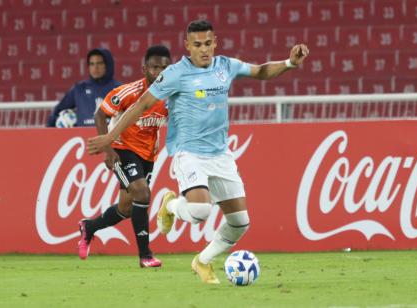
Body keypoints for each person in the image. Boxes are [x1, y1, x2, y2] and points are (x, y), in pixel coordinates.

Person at [87, 20, 309, 283]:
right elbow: (140, 105)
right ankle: (170, 205)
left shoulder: (225, 66)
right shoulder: (175, 74)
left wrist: (290, 63)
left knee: (240, 223)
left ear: (214, 42)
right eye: (197, 45)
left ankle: (202, 261)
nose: (203, 50)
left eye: (207, 44)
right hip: (188, 153)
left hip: (220, 154)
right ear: (187, 46)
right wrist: (110, 137)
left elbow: (260, 71)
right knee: (201, 211)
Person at [78, 45, 172, 268]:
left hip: (148, 155)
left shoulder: (170, 96)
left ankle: (88, 228)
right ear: (144, 69)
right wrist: (108, 149)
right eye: (154, 67)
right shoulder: (129, 92)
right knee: (142, 192)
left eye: (164, 68)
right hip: (122, 150)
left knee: (127, 208)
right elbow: (100, 113)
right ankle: (145, 256)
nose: (159, 72)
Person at [47, 48, 122, 127]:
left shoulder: (119, 89)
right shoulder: (79, 88)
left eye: (99, 63)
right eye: (91, 64)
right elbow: (57, 112)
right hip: (83, 137)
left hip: (111, 137)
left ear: (108, 65)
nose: (95, 67)